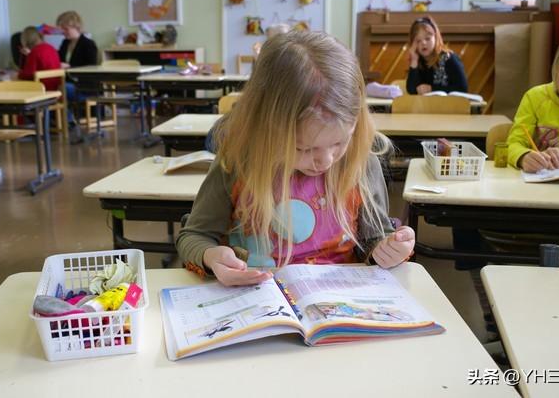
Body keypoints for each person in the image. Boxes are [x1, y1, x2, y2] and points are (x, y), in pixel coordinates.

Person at [177, 31, 415, 287]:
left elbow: (375, 240)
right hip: (255, 299)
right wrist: (210, 256)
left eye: (339, 142)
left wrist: (390, 248)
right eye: (303, 148)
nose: (325, 160)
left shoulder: (361, 163)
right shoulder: (238, 163)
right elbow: (194, 236)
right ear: (266, 129)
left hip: (336, 301)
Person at [507, 23, 559, 171]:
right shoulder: (536, 98)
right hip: (537, 187)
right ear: (556, 69)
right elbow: (513, 144)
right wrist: (523, 156)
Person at [55, 11, 98, 128]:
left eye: (65, 28)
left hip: (84, 86)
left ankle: (68, 120)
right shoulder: (65, 43)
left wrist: (70, 67)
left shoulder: (88, 44)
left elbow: (91, 68)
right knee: (52, 86)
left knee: (61, 88)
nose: (63, 32)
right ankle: (62, 119)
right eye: (62, 29)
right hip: (69, 82)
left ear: (76, 26)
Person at [406, 16, 468, 95]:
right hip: (427, 106)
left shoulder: (449, 58)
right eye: (418, 41)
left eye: (427, 39)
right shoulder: (419, 62)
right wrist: (414, 61)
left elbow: (462, 89)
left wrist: (432, 88)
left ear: (436, 38)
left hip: (450, 106)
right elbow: (412, 90)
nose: (423, 43)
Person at [17, 26, 61, 91]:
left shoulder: (35, 52)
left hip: (42, 89)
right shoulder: (51, 48)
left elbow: (28, 75)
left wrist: (18, 74)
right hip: (56, 88)